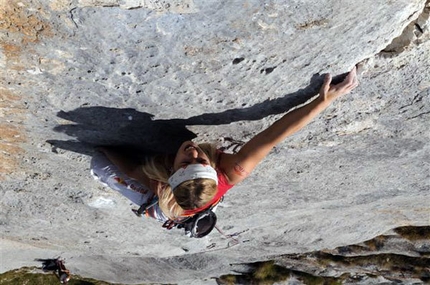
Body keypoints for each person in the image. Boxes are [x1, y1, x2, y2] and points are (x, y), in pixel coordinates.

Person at [91, 67, 359, 235]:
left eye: (188, 162)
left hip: (165, 207)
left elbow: (131, 169)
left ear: (172, 172)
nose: (193, 152)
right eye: (197, 161)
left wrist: (103, 147)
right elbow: (275, 134)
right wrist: (325, 100)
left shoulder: (160, 186)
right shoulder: (233, 170)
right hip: (190, 193)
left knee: (99, 162)